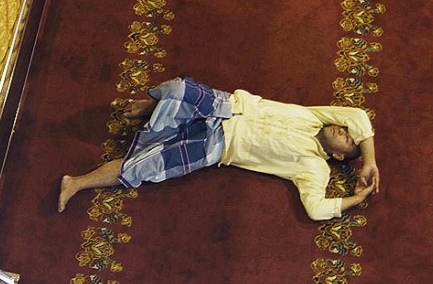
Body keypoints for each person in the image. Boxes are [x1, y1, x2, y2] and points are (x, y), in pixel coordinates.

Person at [57, 77, 380, 221]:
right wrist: (368, 160)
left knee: (143, 168)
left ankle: (77, 183)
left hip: (217, 146)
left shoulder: (314, 168)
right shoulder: (315, 117)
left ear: (338, 156)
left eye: (347, 140)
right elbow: (358, 115)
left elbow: (317, 209)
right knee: (178, 88)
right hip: (226, 107)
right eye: (347, 132)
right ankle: (153, 106)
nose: (343, 130)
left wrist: (358, 197)